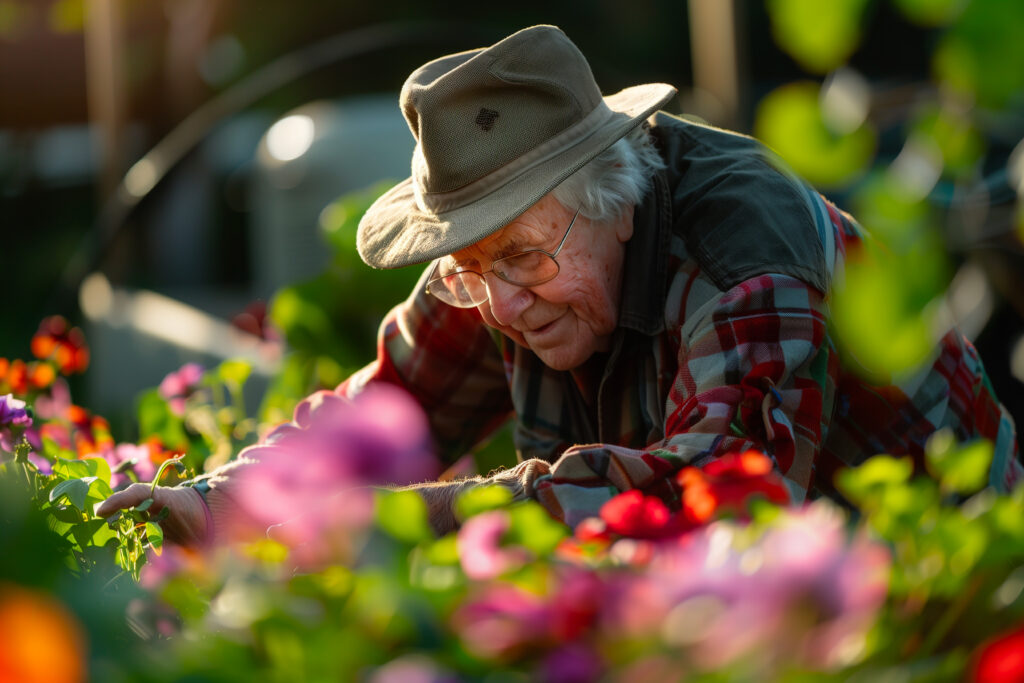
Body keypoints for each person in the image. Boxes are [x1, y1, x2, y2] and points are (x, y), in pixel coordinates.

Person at [98, 24, 1022, 543]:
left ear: (618, 198)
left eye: (522, 259)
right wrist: (222, 497)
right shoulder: (508, 256)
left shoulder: (748, 257)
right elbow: (384, 413)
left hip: (953, 575)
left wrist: (420, 518)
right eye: (468, 268)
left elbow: (718, 496)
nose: (499, 302)